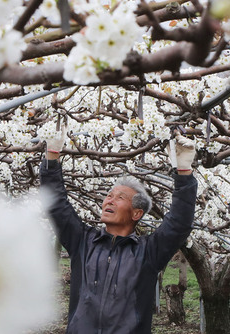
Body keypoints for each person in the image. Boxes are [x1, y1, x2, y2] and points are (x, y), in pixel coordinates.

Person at [40, 131, 198, 334]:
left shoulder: (148, 253)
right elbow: (57, 206)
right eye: (109, 195)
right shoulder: (83, 242)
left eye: (120, 197)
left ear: (136, 213)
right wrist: (52, 157)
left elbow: (179, 224)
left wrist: (184, 172)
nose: (110, 201)